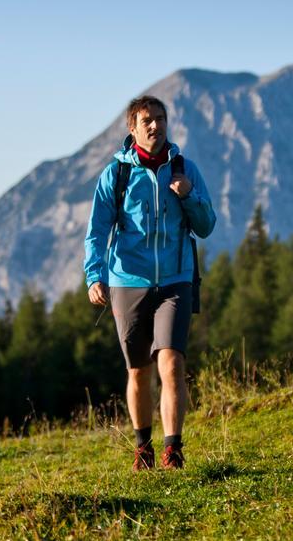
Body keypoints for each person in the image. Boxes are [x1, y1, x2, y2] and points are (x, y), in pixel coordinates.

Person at [84, 95, 216, 470]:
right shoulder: (116, 175)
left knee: (171, 363)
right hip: (128, 282)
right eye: (147, 120)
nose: (156, 126)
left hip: (176, 280)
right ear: (132, 128)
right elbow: (96, 232)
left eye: (161, 118)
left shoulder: (185, 169)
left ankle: (173, 449)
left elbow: (206, 226)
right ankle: (144, 448)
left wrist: (188, 196)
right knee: (138, 370)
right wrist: (95, 275)